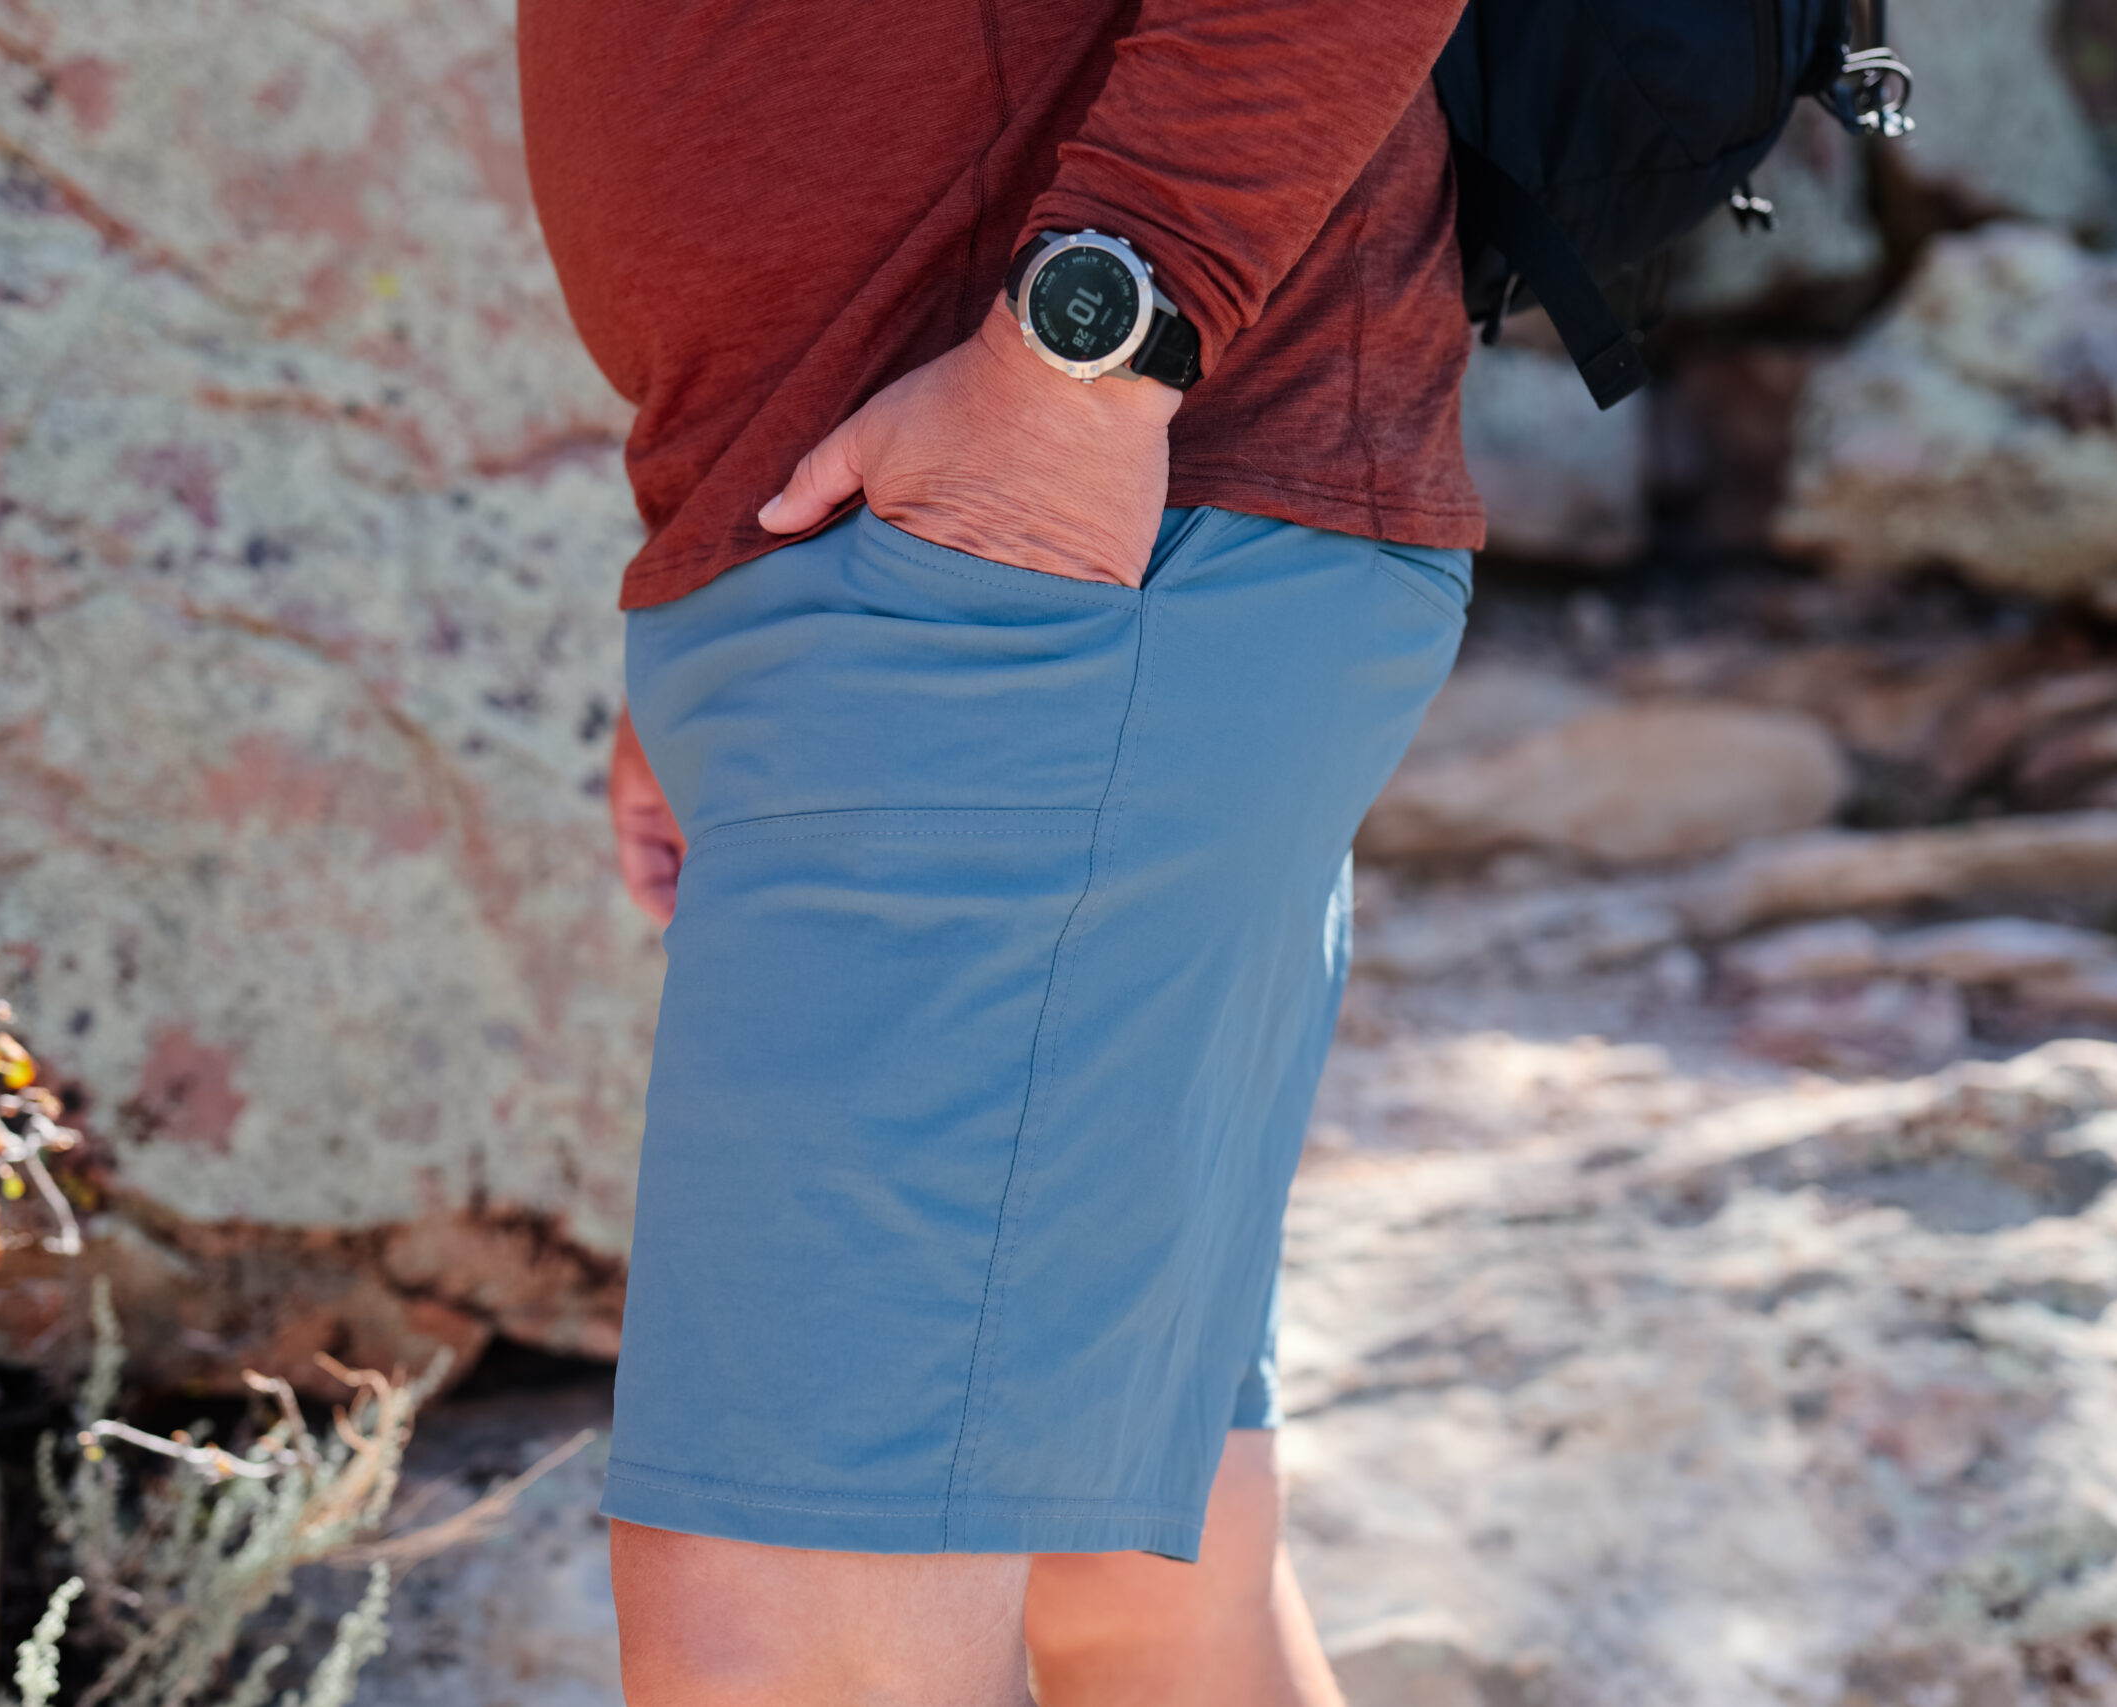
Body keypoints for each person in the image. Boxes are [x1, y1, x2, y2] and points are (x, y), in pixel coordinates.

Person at [517, 4, 1484, 1700]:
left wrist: (1092, 351)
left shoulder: (1067, 463)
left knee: (782, 1622)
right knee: (1127, 1583)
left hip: (1053, 558)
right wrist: (726, 582)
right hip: (950, 578)